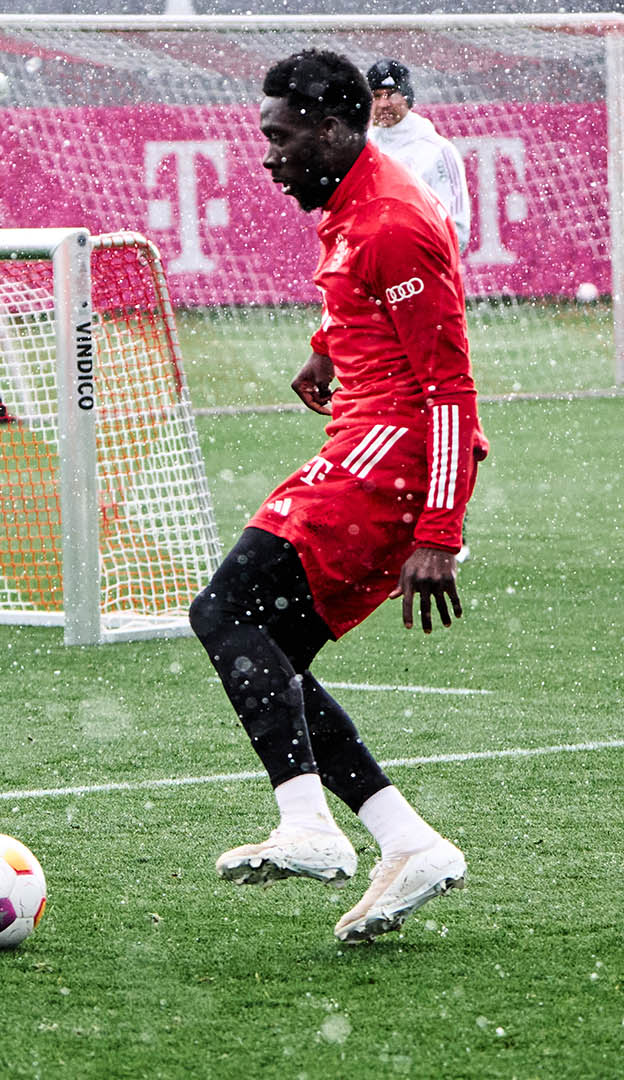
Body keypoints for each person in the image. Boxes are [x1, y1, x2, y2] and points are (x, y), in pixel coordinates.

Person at [193, 49, 485, 943]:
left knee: (224, 612)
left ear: (331, 128)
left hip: (389, 463)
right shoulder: (349, 200)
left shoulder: (394, 221)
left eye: (280, 138)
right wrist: (328, 343)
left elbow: (451, 389)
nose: (269, 158)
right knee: (271, 649)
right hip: (365, 442)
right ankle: (408, 839)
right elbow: (356, 289)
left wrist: (438, 529)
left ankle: (313, 828)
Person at [367, 59, 471, 251]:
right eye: (376, 96)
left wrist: (409, 253)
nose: (383, 104)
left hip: (419, 270)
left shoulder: (437, 151)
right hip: (372, 272)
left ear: (406, 97)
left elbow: (457, 232)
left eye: (391, 95)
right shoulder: (362, 150)